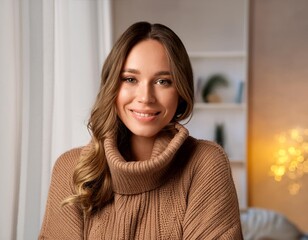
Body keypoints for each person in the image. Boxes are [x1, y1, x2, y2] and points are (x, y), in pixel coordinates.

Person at [39, 21, 243, 239]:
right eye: (130, 79)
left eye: (163, 81)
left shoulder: (205, 163)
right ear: (112, 88)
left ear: (181, 91)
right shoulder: (71, 169)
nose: (146, 97)